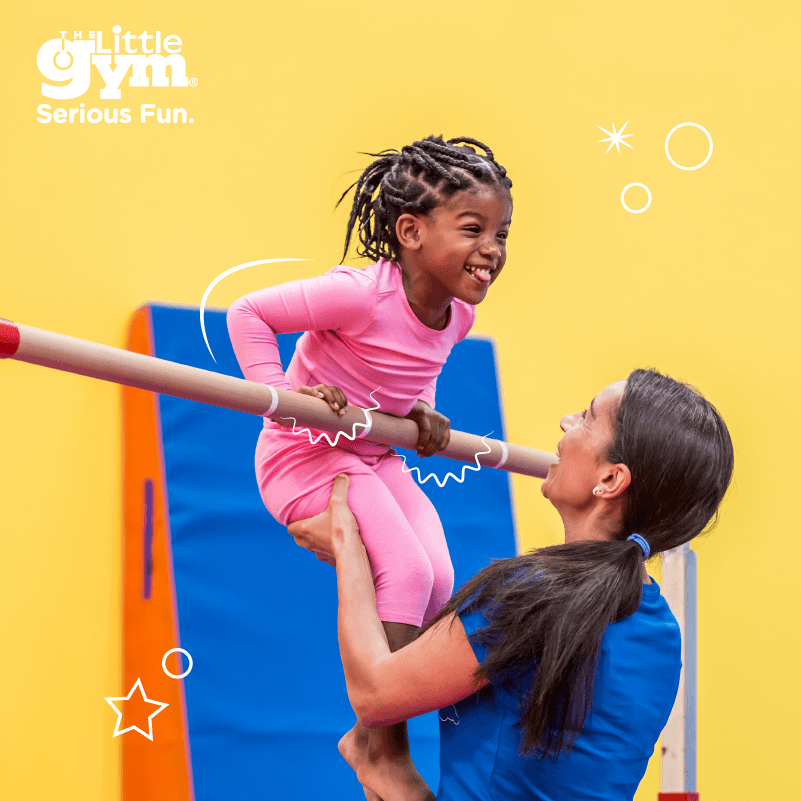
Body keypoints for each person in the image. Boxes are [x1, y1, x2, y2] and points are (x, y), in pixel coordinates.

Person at [289, 369, 734, 801]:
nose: (566, 423)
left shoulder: (534, 596)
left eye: (586, 417)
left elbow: (374, 694)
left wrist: (348, 543)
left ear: (610, 479)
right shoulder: (662, 631)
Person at [226, 136, 514, 799]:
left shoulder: (459, 316)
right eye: (473, 229)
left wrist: (421, 410)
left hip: (370, 453)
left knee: (439, 577)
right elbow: (249, 313)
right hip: (303, 455)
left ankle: (371, 737)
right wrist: (285, 398)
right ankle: (383, 747)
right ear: (410, 232)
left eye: (501, 233)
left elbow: (415, 367)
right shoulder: (358, 295)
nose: (492, 247)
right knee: (405, 570)